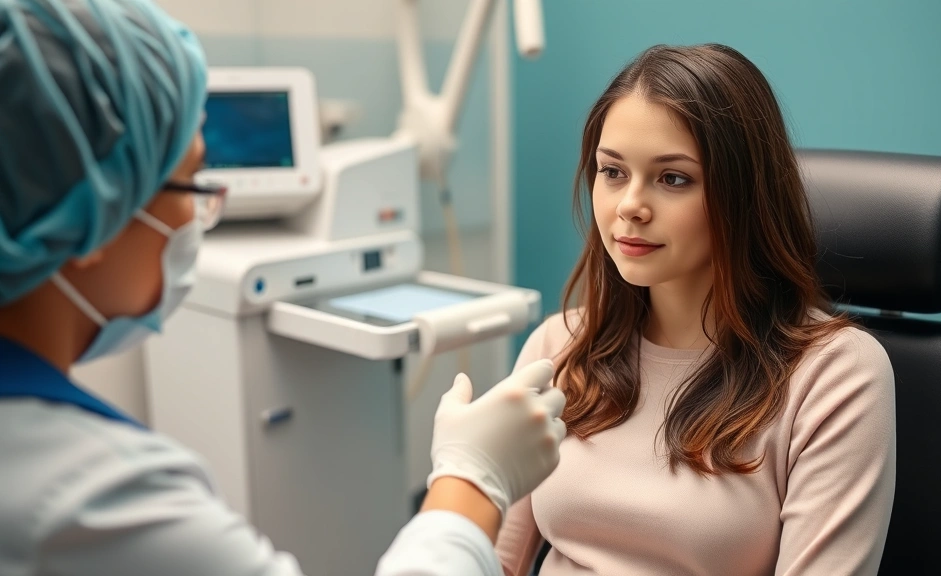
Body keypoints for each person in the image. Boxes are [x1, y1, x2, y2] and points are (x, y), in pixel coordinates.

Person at [0, 1, 565, 575]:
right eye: (193, 182)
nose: (201, 212)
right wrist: (472, 481)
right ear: (97, 212)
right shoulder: (93, 500)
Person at [495, 44, 897, 575]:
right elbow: (494, 561)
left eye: (673, 179)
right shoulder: (559, 347)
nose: (629, 205)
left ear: (743, 196)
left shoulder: (835, 377)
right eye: (612, 172)